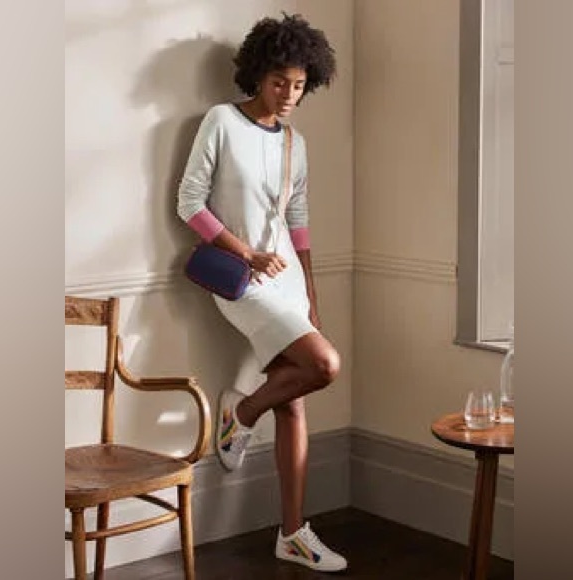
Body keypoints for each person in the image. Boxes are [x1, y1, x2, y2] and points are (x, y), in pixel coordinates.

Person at [177, 13, 346, 573]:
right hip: (242, 279)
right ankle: (241, 413)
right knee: (324, 365)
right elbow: (189, 202)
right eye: (279, 82)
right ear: (257, 74)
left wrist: (311, 292)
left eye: (299, 84)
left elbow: (298, 222)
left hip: (287, 281)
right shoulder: (221, 122)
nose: (289, 95)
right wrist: (247, 252)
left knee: (294, 402)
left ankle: (292, 534)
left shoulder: (296, 142)